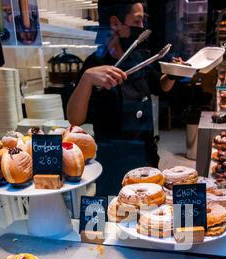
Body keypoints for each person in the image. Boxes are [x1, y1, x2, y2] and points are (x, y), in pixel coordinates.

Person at [67, 0, 176, 193]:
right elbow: (75, 119)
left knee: (149, 214)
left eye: (143, 21)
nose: (142, 28)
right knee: (115, 215)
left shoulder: (139, 57)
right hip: (112, 162)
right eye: (137, 21)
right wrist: (86, 79)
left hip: (146, 155)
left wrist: (175, 73)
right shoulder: (94, 64)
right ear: (115, 23)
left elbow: (160, 86)